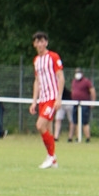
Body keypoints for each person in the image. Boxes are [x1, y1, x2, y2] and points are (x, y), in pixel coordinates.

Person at [30, 31, 64, 166]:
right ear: (34, 44)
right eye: (37, 42)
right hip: (42, 99)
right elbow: (37, 81)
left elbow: (60, 77)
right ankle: (53, 159)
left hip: (51, 98)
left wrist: (59, 98)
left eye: (42, 41)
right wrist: (34, 101)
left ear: (46, 43)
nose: (40, 44)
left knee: (40, 125)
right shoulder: (36, 60)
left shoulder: (53, 57)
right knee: (47, 130)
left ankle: (51, 156)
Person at [68, 67, 95, 142]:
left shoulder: (86, 81)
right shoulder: (74, 81)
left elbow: (92, 91)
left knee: (85, 121)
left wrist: (93, 101)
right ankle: (77, 137)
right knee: (76, 121)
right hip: (75, 103)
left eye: (79, 72)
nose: (77, 74)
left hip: (84, 104)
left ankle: (87, 138)